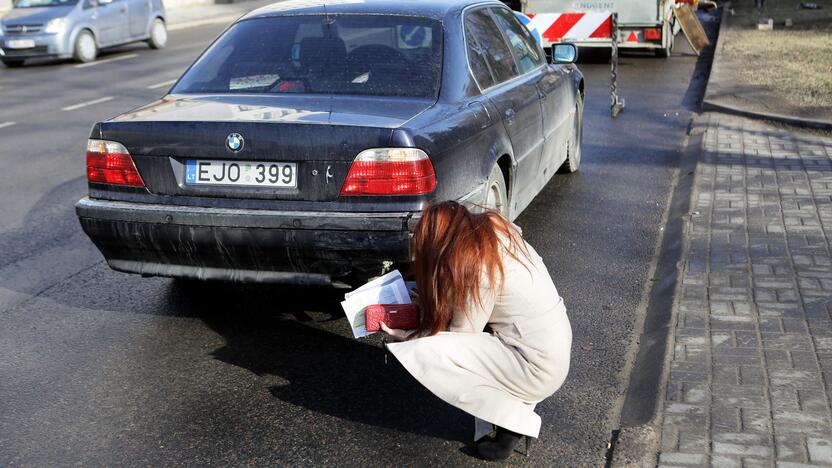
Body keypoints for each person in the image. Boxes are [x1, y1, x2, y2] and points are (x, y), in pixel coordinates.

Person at [380, 201, 572, 461]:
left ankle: (513, 422)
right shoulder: (493, 231)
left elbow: (461, 336)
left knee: (434, 351)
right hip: (550, 347)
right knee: (484, 343)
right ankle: (508, 427)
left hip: (536, 366)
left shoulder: (477, 268)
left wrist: (407, 338)